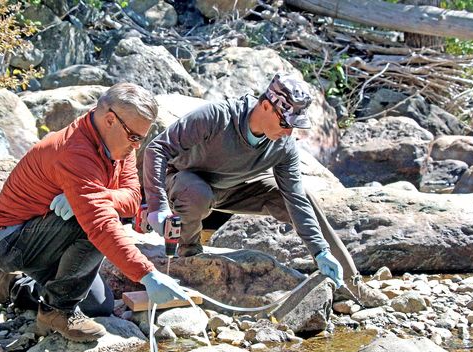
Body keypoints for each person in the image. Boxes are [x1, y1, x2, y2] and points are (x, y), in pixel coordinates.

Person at [142, 73, 388, 307]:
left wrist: (320, 250)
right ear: (266, 106)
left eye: (294, 125)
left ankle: (350, 283)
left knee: (304, 199)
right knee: (196, 192)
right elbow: (157, 149)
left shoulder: (284, 145)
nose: (289, 131)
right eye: (286, 122)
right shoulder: (217, 117)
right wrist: (157, 205)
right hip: (184, 185)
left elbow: (295, 199)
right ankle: (189, 254)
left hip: (235, 190)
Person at [0, 83, 188, 343]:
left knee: (98, 306)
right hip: (11, 240)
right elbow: (100, 223)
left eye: (142, 139)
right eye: (134, 137)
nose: (137, 146)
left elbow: (132, 199)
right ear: (110, 119)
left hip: (45, 237)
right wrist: (147, 275)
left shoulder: (117, 145)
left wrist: (97, 196)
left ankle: (13, 287)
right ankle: (56, 311)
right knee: (88, 220)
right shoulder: (74, 150)